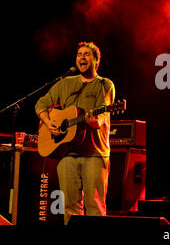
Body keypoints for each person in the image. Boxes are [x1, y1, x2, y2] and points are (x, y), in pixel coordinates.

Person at [35, 41, 115, 225]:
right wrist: (48, 122)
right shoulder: (65, 83)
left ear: (96, 61)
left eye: (87, 54)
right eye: (79, 54)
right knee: (70, 209)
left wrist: (95, 121)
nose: (82, 58)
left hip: (94, 153)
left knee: (95, 207)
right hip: (67, 153)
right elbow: (41, 104)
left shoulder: (105, 84)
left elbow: (102, 114)